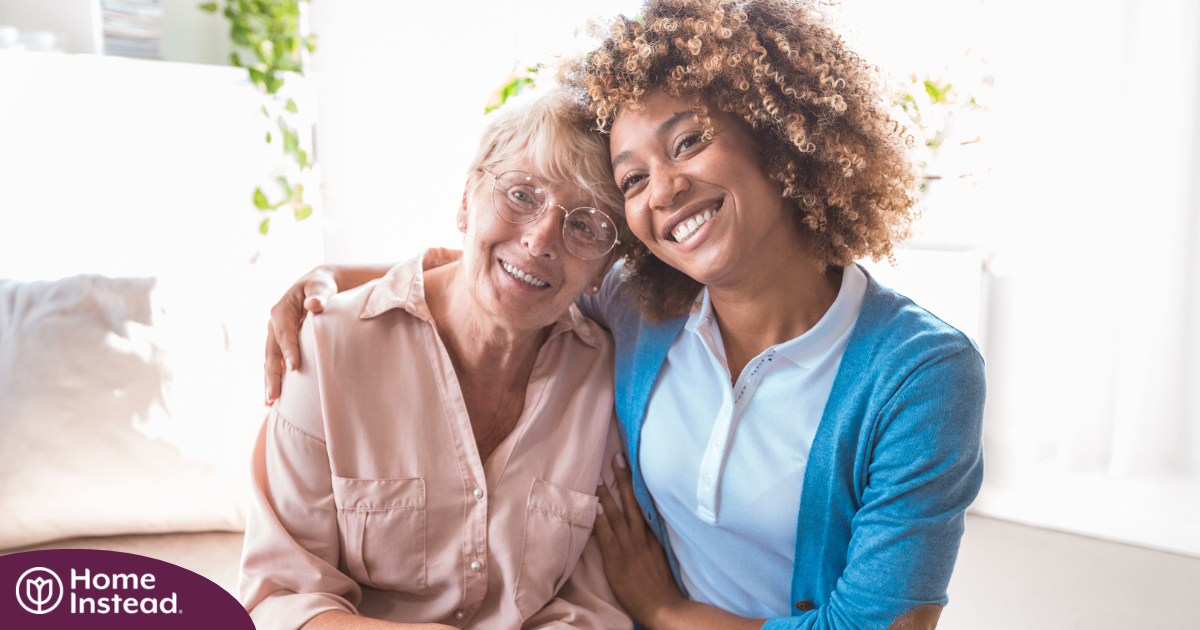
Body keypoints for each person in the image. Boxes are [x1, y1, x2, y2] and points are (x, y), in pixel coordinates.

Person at [264, 1, 986, 629]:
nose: (664, 190)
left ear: (778, 134)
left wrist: (665, 611)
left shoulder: (920, 374)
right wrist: (330, 280)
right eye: (632, 178)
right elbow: (506, 266)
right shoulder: (644, 310)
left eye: (689, 141)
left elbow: (883, 627)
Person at [240, 87, 635, 630]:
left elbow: (591, 607)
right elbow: (282, 599)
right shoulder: (329, 350)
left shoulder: (605, 378)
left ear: (604, 268)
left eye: (585, 225)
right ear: (467, 198)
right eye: (522, 194)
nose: (542, 240)